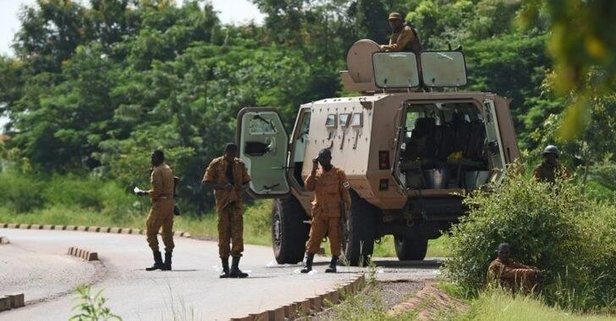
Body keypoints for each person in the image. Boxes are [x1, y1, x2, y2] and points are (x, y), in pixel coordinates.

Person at [202, 143, 251, 278]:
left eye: (234, 154)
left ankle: (235, 268)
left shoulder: (239, 165)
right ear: (225, 152)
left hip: (236, 204)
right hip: (223, 204)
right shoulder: (216, 164)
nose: (232, 157)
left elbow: (247, 181)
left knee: (237, 236)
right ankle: (225, 268)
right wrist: (222, 185)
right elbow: (206, 182)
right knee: (223, 236)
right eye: (229, 154)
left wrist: (241, 187)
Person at [301, 148, 352, 274]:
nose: (322, 161)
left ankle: (333, 264)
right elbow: (308, 186)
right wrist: (313, 168)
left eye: (324, 158)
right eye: (320, 159)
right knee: (314, 237)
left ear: (330, 159)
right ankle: (308, 264)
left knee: (335, 238)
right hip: (320, 212)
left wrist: (346, 208)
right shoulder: (316, 174)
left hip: (334, 213)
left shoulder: (339, 174)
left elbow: (345, 192)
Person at [136, 150, 176, 271]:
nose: (151, 159)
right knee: (167, 232)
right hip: (170, 203)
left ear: (159, 158)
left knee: (151, 230)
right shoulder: (168, 169)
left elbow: (157, 191)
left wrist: (143, 193)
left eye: (153, 157)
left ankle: (158, 261)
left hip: (160, 204)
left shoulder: (157, 171)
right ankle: (168, 262)